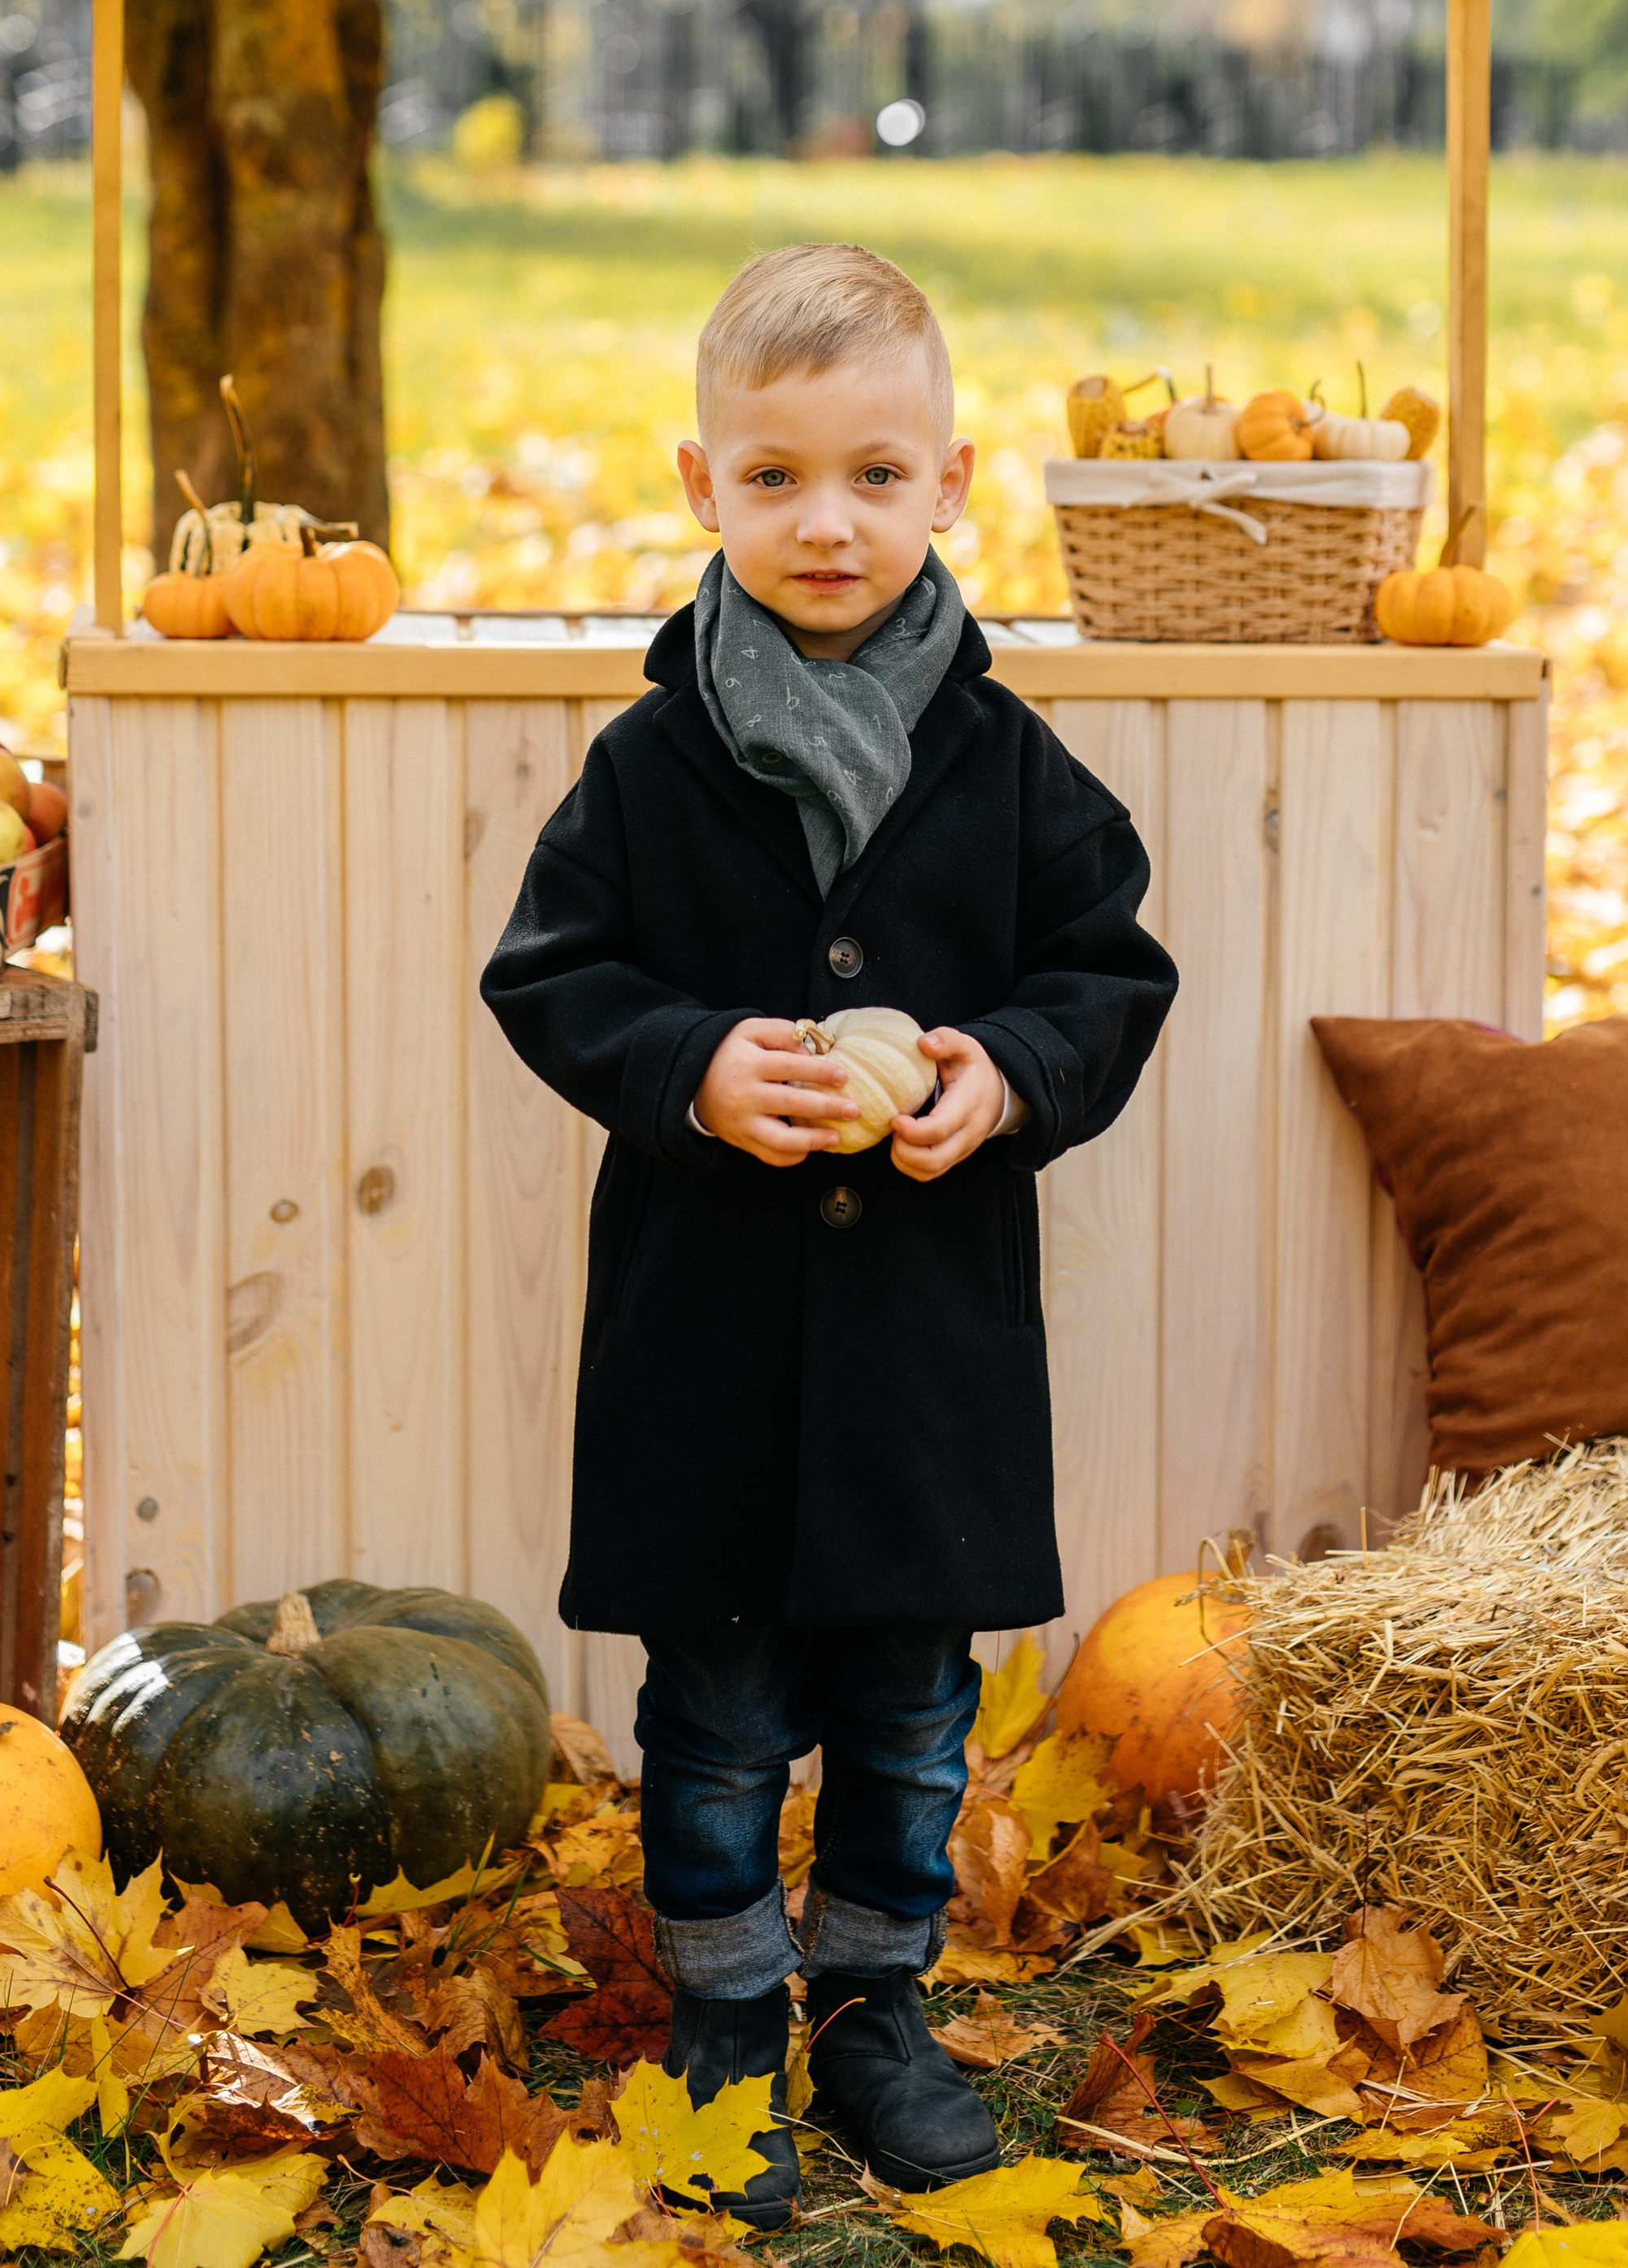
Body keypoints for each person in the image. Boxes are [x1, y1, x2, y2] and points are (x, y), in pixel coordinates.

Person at [480, 243, 1177, 2226]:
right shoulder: (647, 763)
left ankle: (872, 2009)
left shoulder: (1010, 761)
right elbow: (551, 977)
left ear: (950, 484)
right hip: (708, 1347)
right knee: (708, 1726)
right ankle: (720, 2025)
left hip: (923, 1371)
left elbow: (1106, 978)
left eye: (875, 475)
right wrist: (691, 1065)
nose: (826, 520)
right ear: (699, 489)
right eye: (774, 477)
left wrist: (1009, 1076)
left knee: (909, 1722)